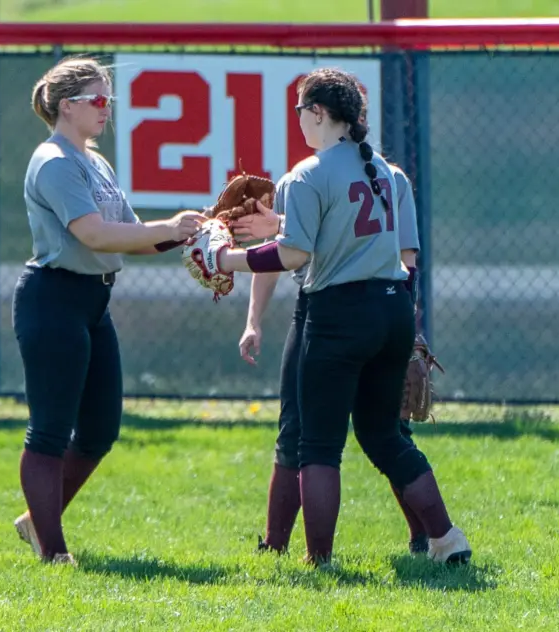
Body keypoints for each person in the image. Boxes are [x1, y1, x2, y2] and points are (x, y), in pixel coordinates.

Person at [188, 67, 471, 566]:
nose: (298, 118)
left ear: (318, 112)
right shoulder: (387, 172)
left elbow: (293, 254)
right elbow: (392, 252)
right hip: (391, 309)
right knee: (385, 435)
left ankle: (318, 560)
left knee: (317, 445)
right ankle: (446, 538)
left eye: (301, 109)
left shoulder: (307, 174)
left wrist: (226, 259)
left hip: (337, 313)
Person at [11, 56, 206, 564]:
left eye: (108, 100)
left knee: (99, 430)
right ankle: (54, 552)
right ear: (66, 105)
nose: (106, 108)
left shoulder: (95, 162)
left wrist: (190, 231)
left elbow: (131, 236)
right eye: (97, 99)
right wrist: (168, 228)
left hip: (93, 303)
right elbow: (94, 234)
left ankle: (36, 521)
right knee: (50, 430)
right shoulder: (54, 161)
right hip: (53, 300)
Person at [232, 158, 431, 556]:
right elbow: (277, 256)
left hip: (349, 308)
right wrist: (252, 321)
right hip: (353, 307)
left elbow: (405, 258)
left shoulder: (377, 177)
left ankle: (424, 537)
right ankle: (274, 545)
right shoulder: (306, 179)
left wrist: (406, 332)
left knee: (367, 434)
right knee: (302, 428)